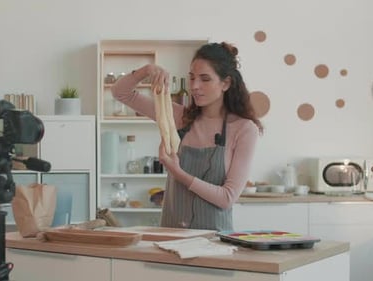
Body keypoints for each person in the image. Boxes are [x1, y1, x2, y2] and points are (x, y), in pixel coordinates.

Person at [111, 42, 263, 231]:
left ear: (226, 83)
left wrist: (179, 174)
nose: (195, 86)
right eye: (192, 78)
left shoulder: (244, 129)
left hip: (213, 243)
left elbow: (227, 198)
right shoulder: (179, 118)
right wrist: (147, 70)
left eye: (205, 79)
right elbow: (120, 93)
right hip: (170, 237)